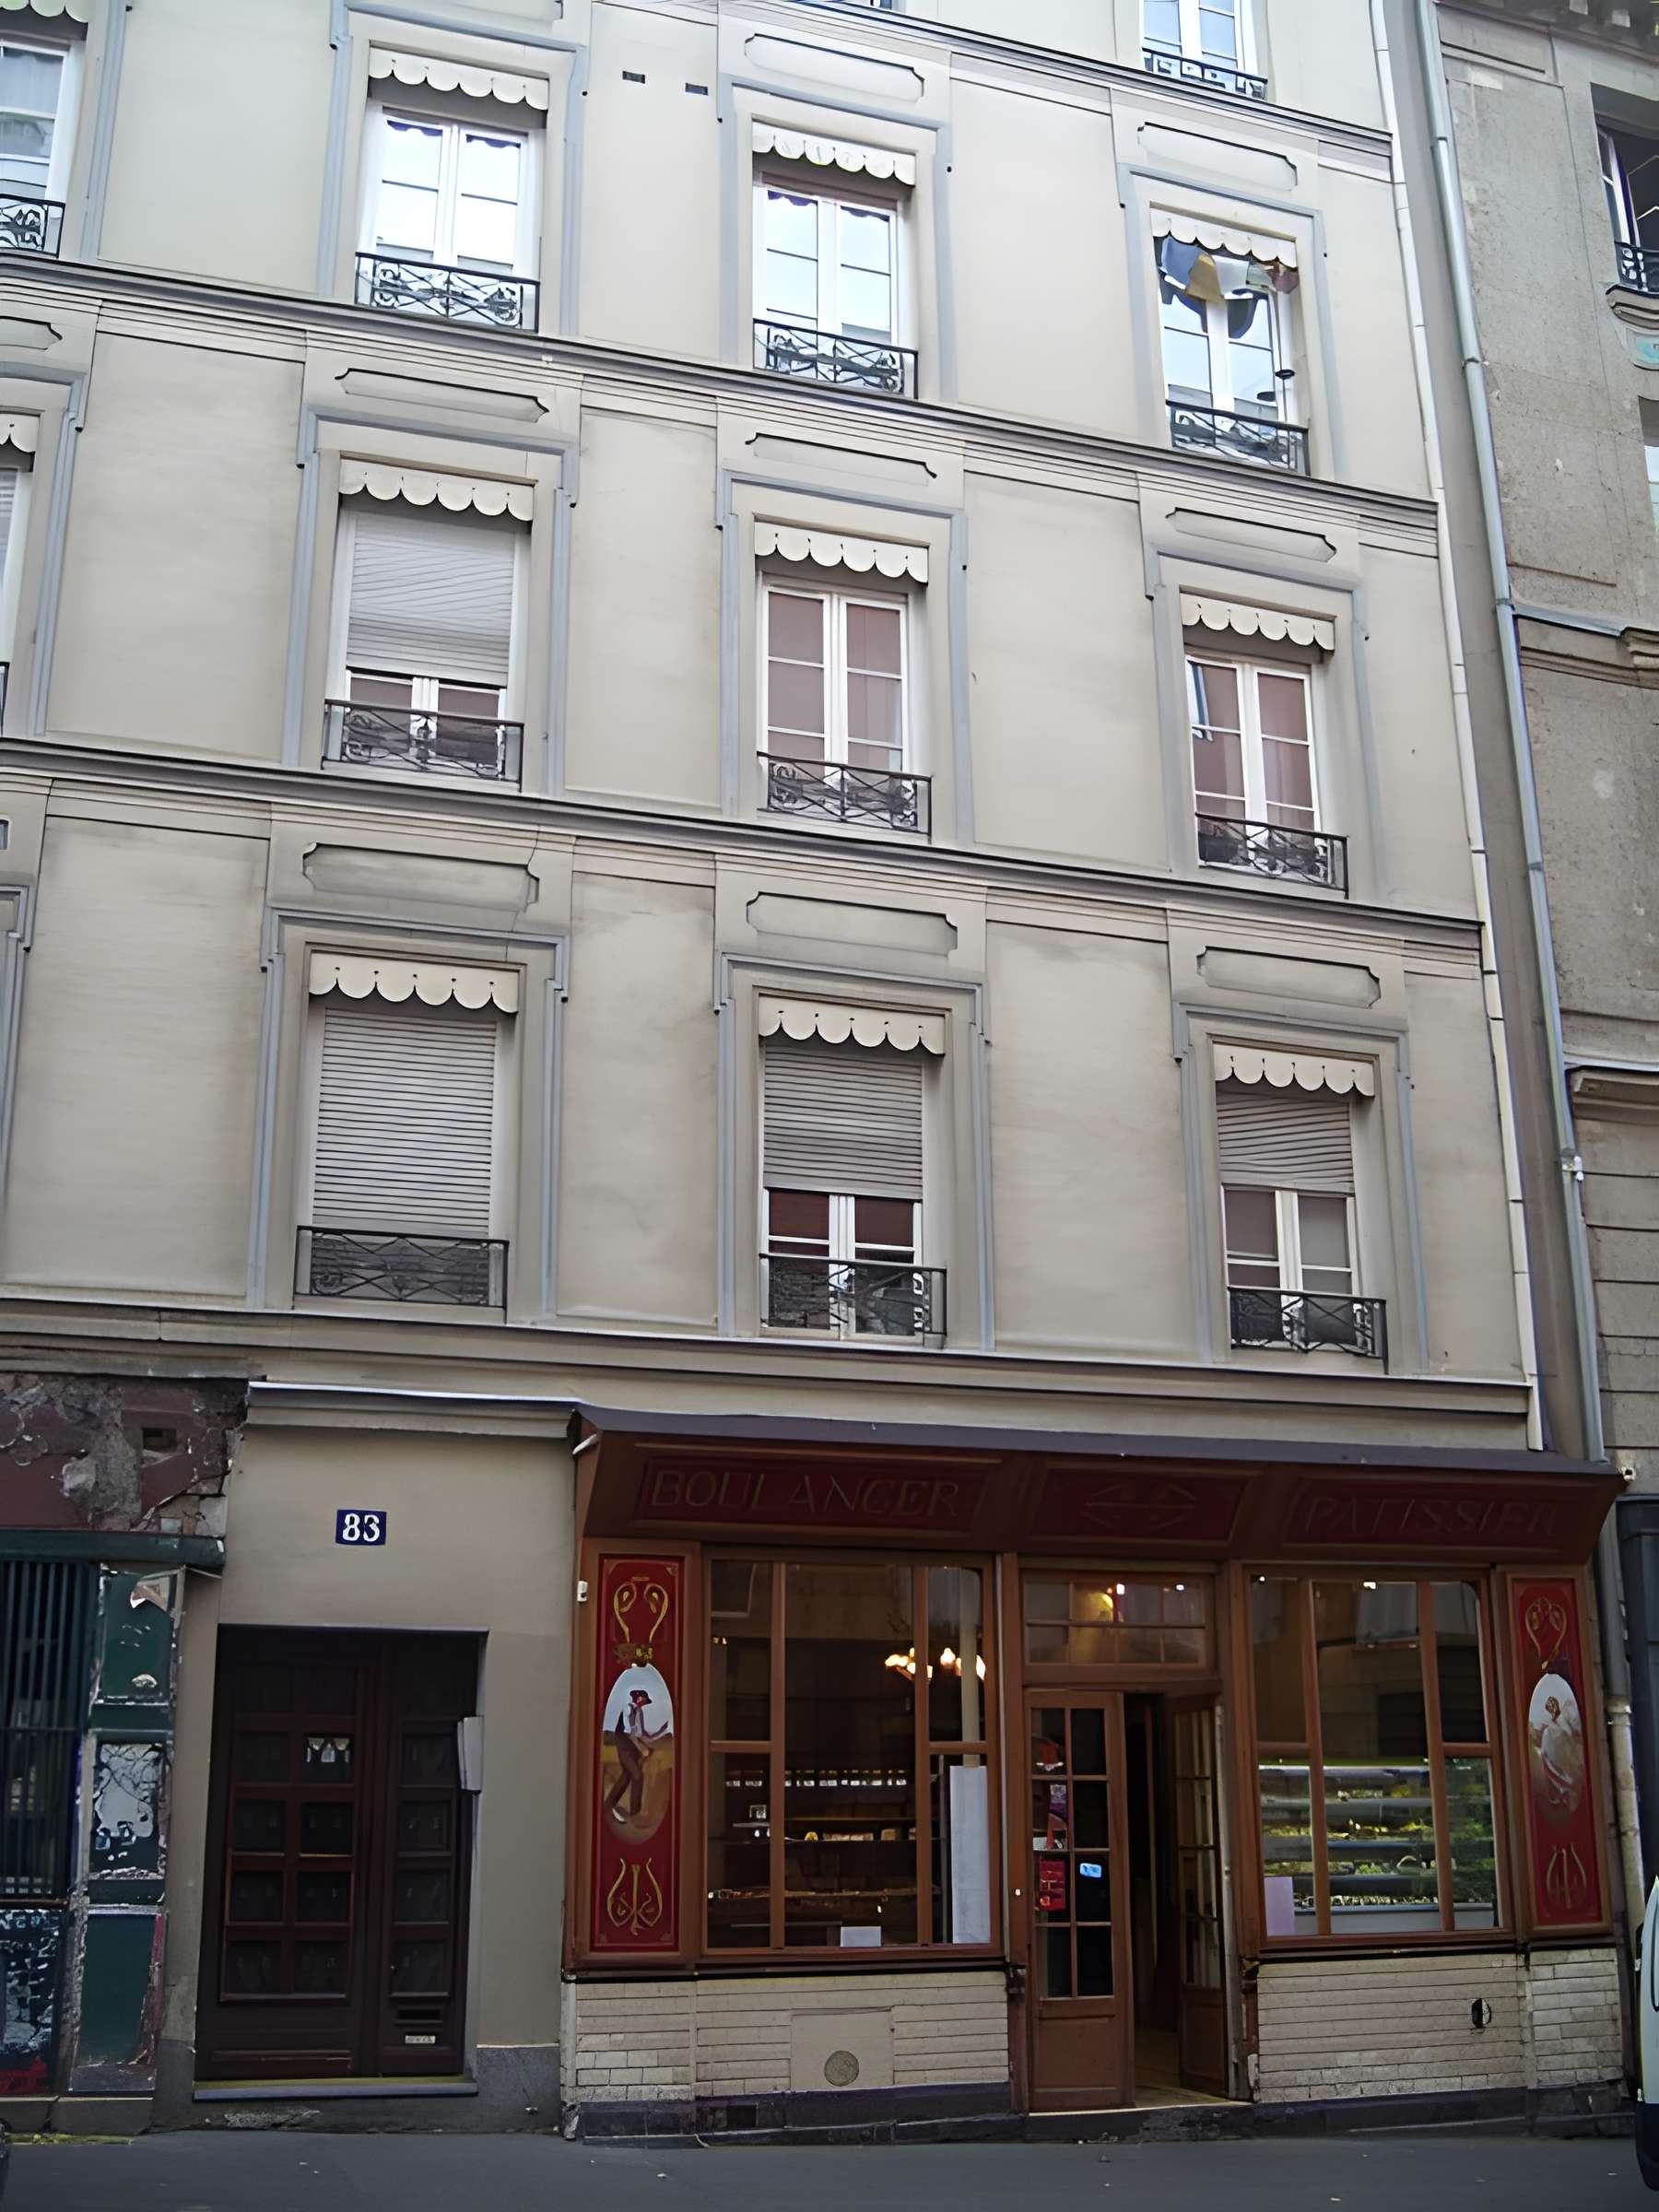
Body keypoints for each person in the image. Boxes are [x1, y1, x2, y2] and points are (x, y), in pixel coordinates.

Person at [604, 1687, 668, 1824]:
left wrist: (658, 1735)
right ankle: (635, 1813)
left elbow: (641, 1734)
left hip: (633, 1749)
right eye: (645, 1701)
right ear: (639, 1699)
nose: (645, 1704)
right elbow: (629, 1734)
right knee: (637, 1776)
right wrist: (642, 1749)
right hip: (625, 1749)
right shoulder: (628, 1710)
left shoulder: (639, 1713)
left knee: (626, 1776)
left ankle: (609, 1806)